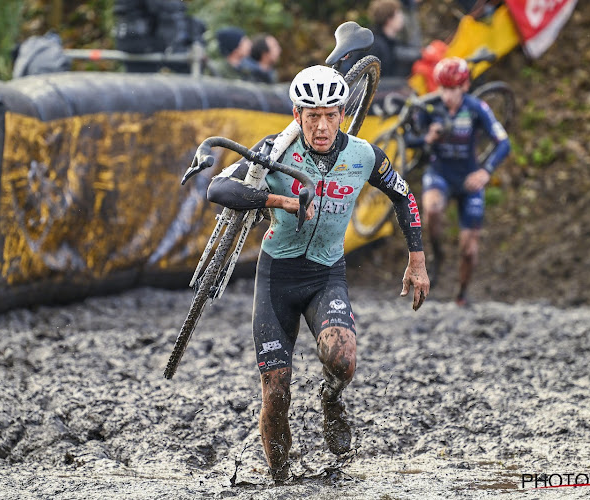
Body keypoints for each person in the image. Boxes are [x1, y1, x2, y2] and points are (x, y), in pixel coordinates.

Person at [206, 65, 430, 482]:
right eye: (312, 116)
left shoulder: (363, 154)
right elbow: (218, 189)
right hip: (277, 278)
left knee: (343, 360)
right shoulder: (275, 150)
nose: (322, 126)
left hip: (326, 273)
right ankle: (280, 479)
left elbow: (403, 196)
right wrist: (282, 200)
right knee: (276, 393)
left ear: (343, 113)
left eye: (330, 115)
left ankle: (331, 400)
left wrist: (416, 260)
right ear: (297, 115)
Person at [412, 56, 510, 306]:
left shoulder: (477, 108)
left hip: (468, 178)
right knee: (432, 209)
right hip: (440, 173)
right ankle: (437, 255)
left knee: (469, 249)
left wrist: (485, 171)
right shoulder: (430, 107)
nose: (448, 95)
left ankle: (461, 293)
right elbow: (409, 140)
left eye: (453, 89)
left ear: (464, 86)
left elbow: (503, 142)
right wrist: (428, 139)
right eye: (443, 88)